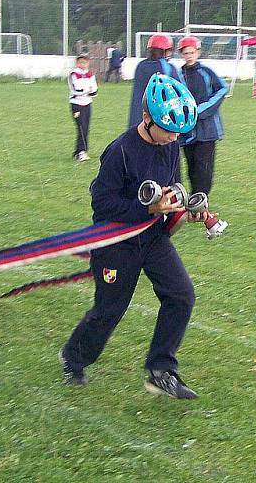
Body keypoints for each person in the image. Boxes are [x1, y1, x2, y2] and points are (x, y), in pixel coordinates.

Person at [60, 73, 207, 399]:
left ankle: (161, 370)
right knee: (109, 311)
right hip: (116, 244)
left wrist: (182, 206)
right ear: (146, 118)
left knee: (181, 295)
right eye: (169, 130)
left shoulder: (171, 145)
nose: (174, 138)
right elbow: (102, 203)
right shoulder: (121, 151)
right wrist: (148, 210)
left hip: (153, 238)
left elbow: (171, 187)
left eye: (179, 133)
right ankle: (74, 358)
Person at [177, 36, 228, 196]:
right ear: (182, 54)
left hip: (207, 130)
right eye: (186, 53)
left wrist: (201, 110)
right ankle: (194, 199)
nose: (189, 56)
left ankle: (201, 201)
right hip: (187, 130)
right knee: (191, 167)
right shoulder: (178, 74)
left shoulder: (206, 72)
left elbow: (222, 89)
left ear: (198, 52)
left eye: (192, 52)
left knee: (204, 168)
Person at [128, 34, 185, 129]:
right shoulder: (167, 67)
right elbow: (179, 91)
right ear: (165, 51)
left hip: (138, 116)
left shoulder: (141, 65)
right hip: (159, 117)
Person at [67, 54, 98, 162]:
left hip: (87, 104)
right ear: (77, 63)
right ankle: (81, 152)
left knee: (86, 128)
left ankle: (78, 151)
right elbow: (76, 90)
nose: (82, 64)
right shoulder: (73, 74)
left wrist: (88, 91)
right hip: (76, 104)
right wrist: (87, 90)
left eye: (84, 62)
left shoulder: (90, 74)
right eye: (80, 62)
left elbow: (94, 91)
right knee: (81, 127)